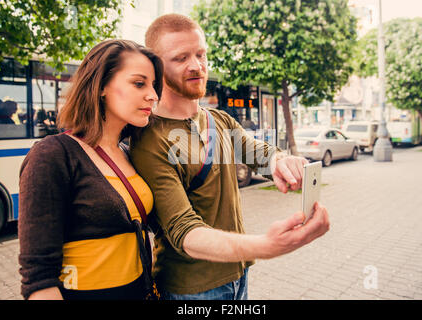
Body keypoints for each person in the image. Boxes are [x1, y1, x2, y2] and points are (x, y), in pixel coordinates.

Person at [130, 14, 330, 300]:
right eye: (180, 58)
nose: (196, 66)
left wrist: (280, 161)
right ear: (155, 67)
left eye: (200, 54)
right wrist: (268, 245)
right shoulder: (149, 140)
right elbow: (184, 230)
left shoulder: (219, 120)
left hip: (238, 276)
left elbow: (255, 151)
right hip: (192, 289)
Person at [18, 39, 163, 300]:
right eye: (139, 83)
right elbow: (39, 281)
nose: (153, 95)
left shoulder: (129, 153)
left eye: (153, 85)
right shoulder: (53, 155)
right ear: (101, 86)